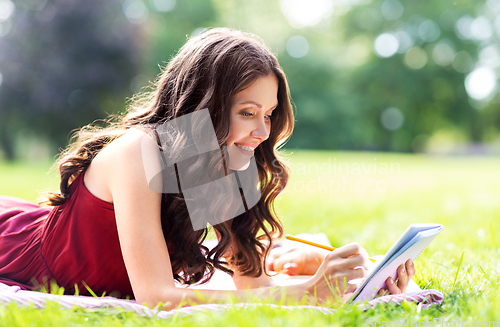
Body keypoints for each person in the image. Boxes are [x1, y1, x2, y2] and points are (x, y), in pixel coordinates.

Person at [0, 27, 415, 309]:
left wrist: (359, 283)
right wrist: (306, 290)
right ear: (205, 104)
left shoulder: (218, 156)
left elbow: (252, 288)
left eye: (268, 114)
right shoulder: (139, 151)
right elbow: (158, 296)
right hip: (18, 249)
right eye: (247, 112)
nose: (260, 131)